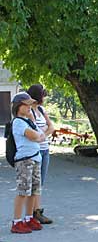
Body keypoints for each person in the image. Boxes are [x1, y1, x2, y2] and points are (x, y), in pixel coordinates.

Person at [10, 92, 46, 233]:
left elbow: (41, 135)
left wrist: (37, 132)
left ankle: (29, 217)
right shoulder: (18, 122)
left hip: (35, 158)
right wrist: (38, 136)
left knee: (33, 191)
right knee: (23, 191)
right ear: (19, 106)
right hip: (25, 160)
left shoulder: (29, 121)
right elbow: (34, 136)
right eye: (27, 104)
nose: (30, 107)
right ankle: (17, 221)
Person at [27, 84, 55, 224]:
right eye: (43, 94)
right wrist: (43, 132)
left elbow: (52, 127)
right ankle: (35, 211)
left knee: (40, 182)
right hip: (35, 150)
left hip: (45, 149)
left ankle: (35, 211)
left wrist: (42, 133)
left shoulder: (41, 110)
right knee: (35, 182)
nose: (44, 96)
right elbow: (34, 131)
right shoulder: (29, 112)